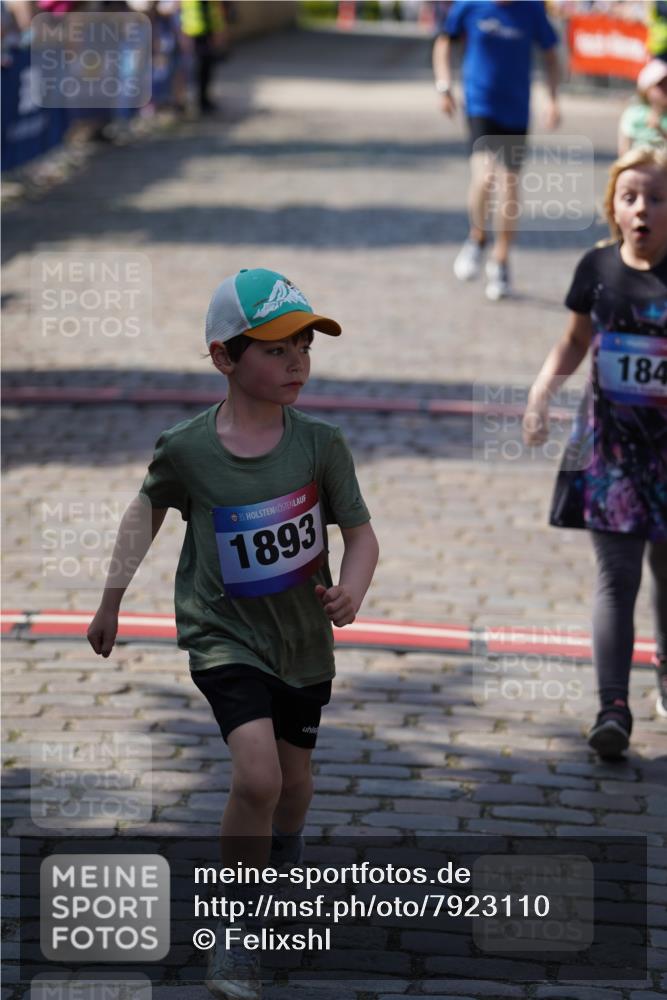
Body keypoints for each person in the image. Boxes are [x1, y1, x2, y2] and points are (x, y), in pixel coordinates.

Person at [87, 267, 379, 999]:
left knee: (294, 786)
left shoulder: (320, 444)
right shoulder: (186, 449)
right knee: (257, 776)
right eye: (276, 349)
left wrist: (352, 587)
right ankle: (234, 936)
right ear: (224, 357)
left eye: (303, 347)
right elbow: (143, 514)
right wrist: (109, 600)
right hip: (223, 635)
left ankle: (284, 855)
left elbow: (362, 535)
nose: (297, 363)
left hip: (304, 642)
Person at [523, 147, 667, 760]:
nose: (642, 209)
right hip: (609, 454)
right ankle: (613, 707)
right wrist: (541, 392)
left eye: (657, 198)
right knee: (617, 577)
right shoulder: (596, 269)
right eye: (630, 196)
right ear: (613, 205)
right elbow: (575, 339)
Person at [432, 0, 561, 300]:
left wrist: (553, 98)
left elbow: (551, 54)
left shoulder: (531, 9)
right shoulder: (470, 5)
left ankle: (501, 260)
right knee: (485, 176)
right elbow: (443, 42)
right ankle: (477, 238)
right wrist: (444, 86)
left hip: (516, 110)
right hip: (480, 105)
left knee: (510, 185)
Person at [618, 58, 667, 155]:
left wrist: (660, 130)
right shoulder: (634, 115)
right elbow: (624, 151)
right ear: (645, 90)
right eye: (660, 85)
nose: (666, 88)